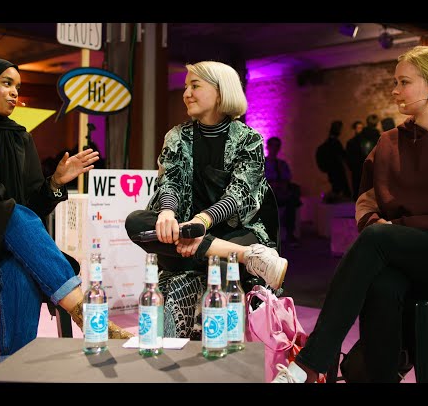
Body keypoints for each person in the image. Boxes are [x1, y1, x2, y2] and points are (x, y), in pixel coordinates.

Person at [273, 45, 428, 383]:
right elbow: (366, 203)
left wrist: (399, 228)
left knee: (378, 239)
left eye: (404, 82)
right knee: (384, 283)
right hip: (395, 256)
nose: (394, 90)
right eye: (395, 82)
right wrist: (383, 228)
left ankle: (311, 362)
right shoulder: (389, 142)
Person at [0, 58, 132, 364]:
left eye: (17, 85)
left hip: (5, 249)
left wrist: (55, 182)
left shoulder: (19, 139)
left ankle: (12, 369)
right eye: (6, 83)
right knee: (11, 213)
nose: (15, 92)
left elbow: (33, 208)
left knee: (20, 265)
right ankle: (85, 310)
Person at [125, 60, 288, 339]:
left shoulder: (249, 139)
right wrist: (167, 213)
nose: (186, 93)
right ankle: (248, 257)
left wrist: (202, 222)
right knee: (136, 222)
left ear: (221, 91)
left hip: (236, 233)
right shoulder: (177, 136)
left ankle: (227, 253)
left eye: (195, 85)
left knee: (218, 266)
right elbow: (170, 180)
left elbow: (239, 195)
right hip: (191, 235)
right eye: (186, 86)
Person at [265, 136, 302, 246]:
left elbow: (286, 180)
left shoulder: (282, 164)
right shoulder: (261, 163)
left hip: (280, 193)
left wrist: (281, 187)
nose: (275, 148)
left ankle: (290, 234)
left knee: (290, 201)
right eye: (273, 146)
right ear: (268, 147)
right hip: (266, 194)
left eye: (277, 146)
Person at [315, 120, 351, 202]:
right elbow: (342, 154)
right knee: (340, 188)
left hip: (332, 169)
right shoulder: (335, 142)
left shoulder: (329, 142)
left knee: (336, 187)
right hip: (336, 169)